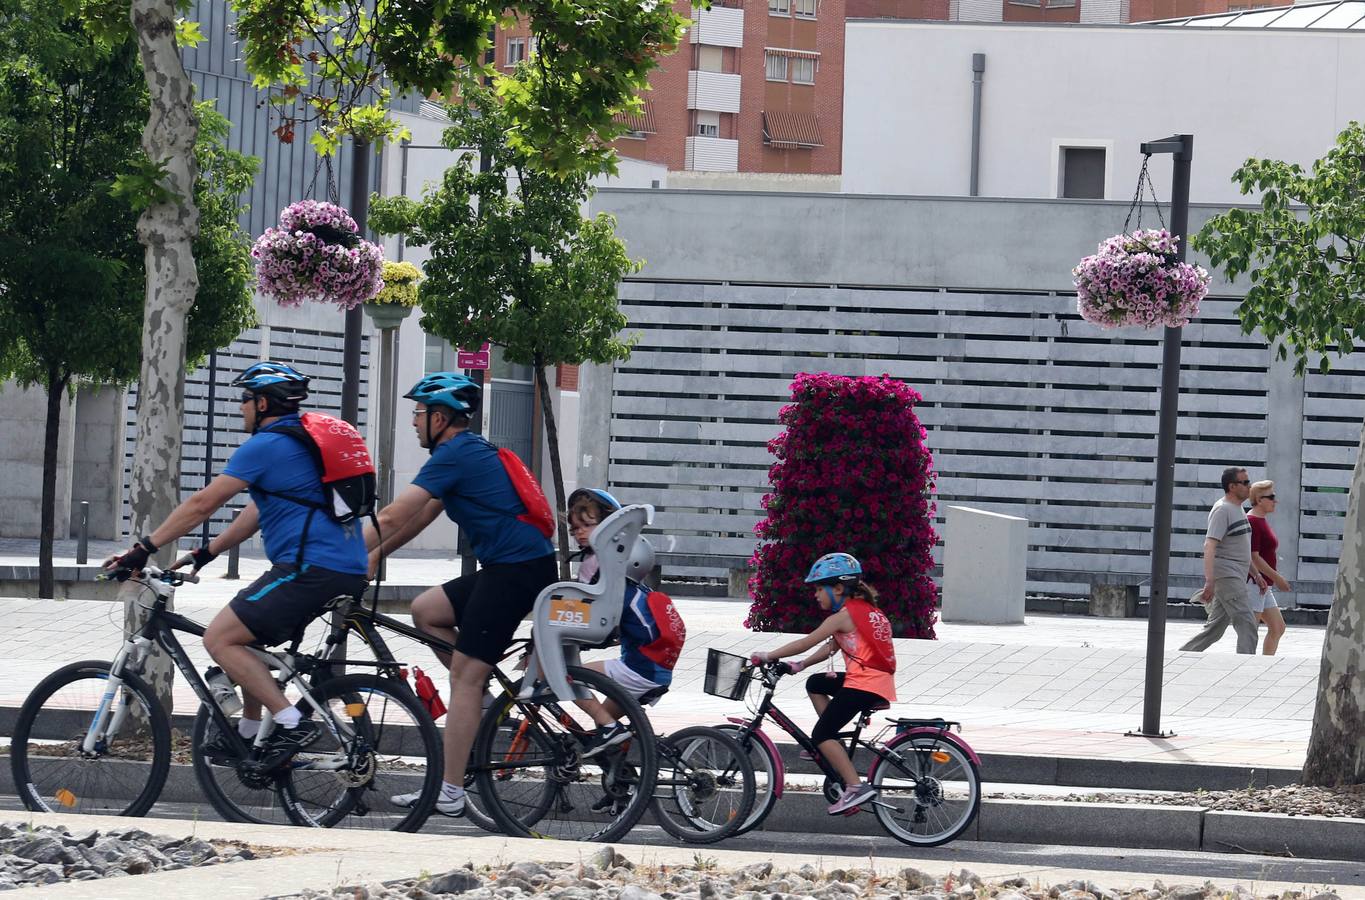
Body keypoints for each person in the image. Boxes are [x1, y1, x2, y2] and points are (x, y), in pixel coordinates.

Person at [106, 362, 369, 756]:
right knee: (244, 641)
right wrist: (206, 552)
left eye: (246, 400)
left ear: (263, 403)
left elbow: (202, 503)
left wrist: (143, 548)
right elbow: (257, 513)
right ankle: (248, 734)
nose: (241, 408)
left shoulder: (265, 446)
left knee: (220, 638)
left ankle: (290, 724)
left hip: (309, 568)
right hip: (336, 566)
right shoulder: (296, 444)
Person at [369, 372, 557, 818]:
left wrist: (340, 555)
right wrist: (376, 553)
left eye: (417, 413)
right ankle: (483, 697)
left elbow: (394, 514)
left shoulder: (454, 454)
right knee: (426, 611)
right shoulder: (466, 453)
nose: (414, 421)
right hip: (514, 567)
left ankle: (450, 792)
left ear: (440, 417)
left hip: (515, 572)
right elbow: (419, 517)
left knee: (464, 681)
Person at [749, 552, 896, 816]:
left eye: (819, 588)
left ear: (838, 588)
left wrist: (768, 655)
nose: (816, 594)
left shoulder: (841, 616)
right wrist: (800, 665)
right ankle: (831, 748)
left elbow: (807, 641)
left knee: (821, 734)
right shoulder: (865, 610)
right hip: (874, 681)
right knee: (816, 683)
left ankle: (854, 787)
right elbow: (832, 646)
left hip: (864, 683)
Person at [562, 488, 685, 759]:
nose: (580, 532)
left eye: (587, 525)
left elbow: (589, 617)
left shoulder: (599, 569)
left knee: (565, 675)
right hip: (654, 671)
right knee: (605, 726)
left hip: (637, 670)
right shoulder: (632, 585)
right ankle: (622, 787)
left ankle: (609, 730)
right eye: (575, 529)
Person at [1179, 467, 1265, 655]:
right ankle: (1246, 665)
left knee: (1215, 629)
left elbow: (1241, 548)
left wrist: (1256, 575)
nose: (1249, 486)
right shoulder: (1222, 509)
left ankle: (1182, 655)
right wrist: (1210, 581)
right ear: (1232, 486)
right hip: (1227, 575)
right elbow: (1209, 546)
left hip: (1236, 574)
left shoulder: (1238, 508)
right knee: (1247, 623)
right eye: (1245, 482)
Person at [1247, 480, 1290, 655]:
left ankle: (1265, 663)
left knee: (1278, 628)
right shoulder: (1253, 521)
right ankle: (1245, 665)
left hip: (1264, 585)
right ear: (1259, 499)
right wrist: (1278, 578)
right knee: (1250, 632)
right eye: (1271, 497)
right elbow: (1253, 557)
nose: (1275, 501)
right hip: (1254, 583)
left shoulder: (1261, 520)